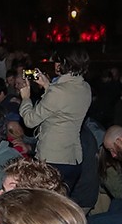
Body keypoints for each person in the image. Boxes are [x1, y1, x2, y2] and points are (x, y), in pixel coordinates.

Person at [18, 49, 93, 189]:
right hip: (73, 158)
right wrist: (48, 86)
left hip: (52, 158)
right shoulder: (85, 87)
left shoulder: (57, 91)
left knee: (46, 206)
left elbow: (30, 120)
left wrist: (25, 98)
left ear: (61, 64)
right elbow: (63, 106)